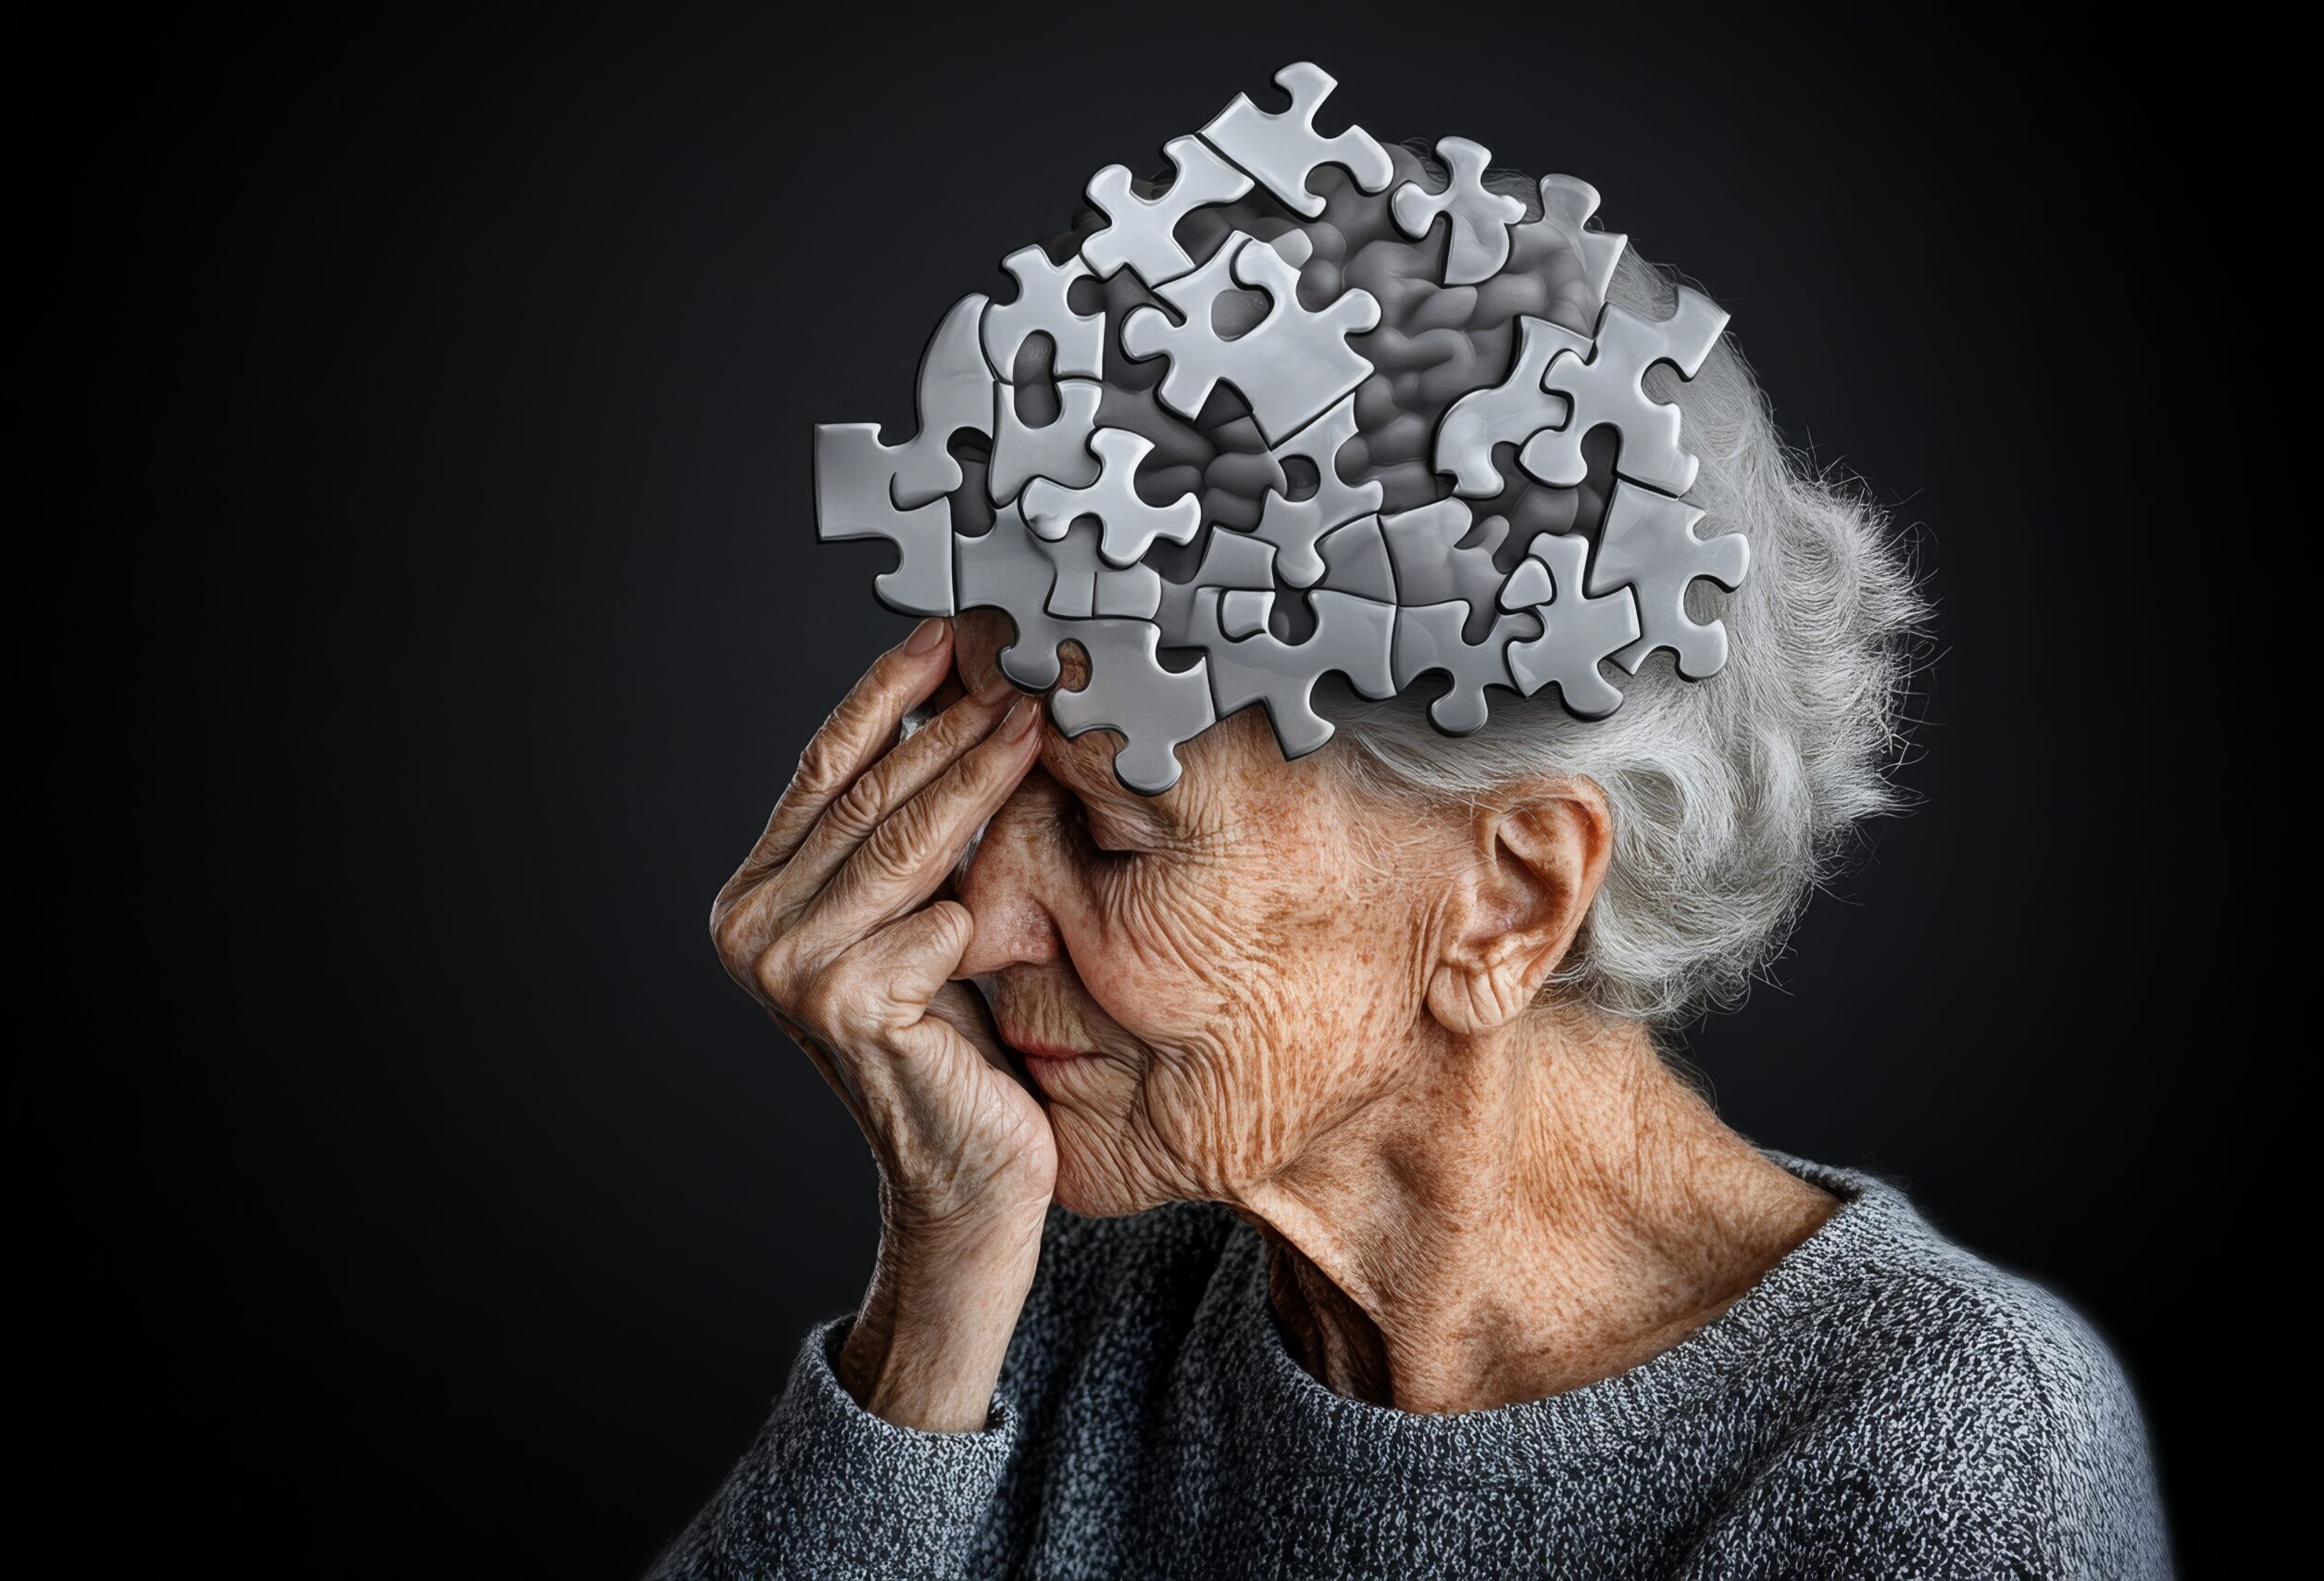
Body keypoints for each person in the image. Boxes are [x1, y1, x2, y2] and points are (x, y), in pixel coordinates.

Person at [654, 149, 2172, 1579]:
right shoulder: (1048, 1278)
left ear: (1511, 895)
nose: (974, 925)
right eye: (985, 803)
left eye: (1114, 835)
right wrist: (938, 1284)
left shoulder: (1935, 1456)